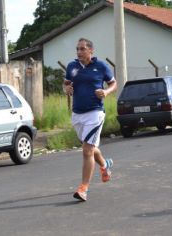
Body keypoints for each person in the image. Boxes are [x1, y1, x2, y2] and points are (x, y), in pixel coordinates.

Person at [64, 38, 117, 201]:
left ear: (90, 50)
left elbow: (113, 83)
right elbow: (66, 83)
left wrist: (107, 92)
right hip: (77, 114)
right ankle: (105, 165)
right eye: (77, 49)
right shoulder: (72, 66)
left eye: (82, 49)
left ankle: (83, 189)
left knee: (87, 150)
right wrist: (66, 88)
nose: (79, 52)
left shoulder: (100, 66)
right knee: (91, 147)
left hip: (95, 113)